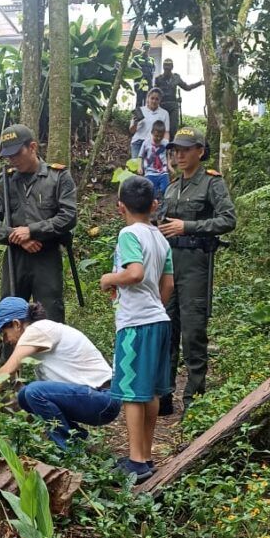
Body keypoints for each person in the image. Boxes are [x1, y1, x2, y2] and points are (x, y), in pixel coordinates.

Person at [100, 177, 174, 483]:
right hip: (159, 319)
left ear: (121, 207)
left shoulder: (129, 233)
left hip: (136, 324)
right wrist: (155, 303)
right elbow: (167, 284)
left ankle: (135, 460)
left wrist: (109, 279)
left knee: (131, 392)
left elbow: (135, 273)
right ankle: (145, 454)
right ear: (154, 206)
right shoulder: (160, 237)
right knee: (152, 391)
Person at [158, 127, 236, 414]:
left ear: (200, 151)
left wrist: (187, 226)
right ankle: (165, 396)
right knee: (167, 330)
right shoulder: (171, 186)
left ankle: (194, 401)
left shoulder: (211, 183)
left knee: (193, 333)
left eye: (185, 149)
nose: (178, 155)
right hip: (170, 265)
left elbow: (228, 219)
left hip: (195, 264)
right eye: (175, 150)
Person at [0, 297, 121, 450]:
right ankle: (81, 441)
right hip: (97, 399)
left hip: (104, 398)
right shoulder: (41, 336)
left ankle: (70, 451)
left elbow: (7, 370)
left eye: (5, 333)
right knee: (25, 395)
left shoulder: (37, 329)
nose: (5, 340)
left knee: (34, 391)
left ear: (16, 324)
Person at [0, 125, 77, 323]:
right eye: (8, 156)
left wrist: (32, 231)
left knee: (50, 316)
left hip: (46, 256)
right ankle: (12, 355)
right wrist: (17, 237)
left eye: (17, 153)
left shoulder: (58, 177)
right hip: (15, 257)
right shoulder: (5, 181)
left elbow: (68, 216)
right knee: (10, 318)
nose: (12, 160)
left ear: (32, 147)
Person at [154, 59, 204, 141]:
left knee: (173, 129)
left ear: (172, 67)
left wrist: (199, 83)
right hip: (162, 106)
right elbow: (154, 93)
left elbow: (187, 87)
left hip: (173, 105)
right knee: (161, 129)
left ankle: (173, 148)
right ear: (163, 67)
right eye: (165, 67)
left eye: (169, 67)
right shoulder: (158, 79)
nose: (167, 69)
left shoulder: (176, 78)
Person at [129, 89, 170, 160]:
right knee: (136, 167)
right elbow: (132, 131)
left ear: (160, 100)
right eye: (152, 98)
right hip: (138, 142)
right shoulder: (139, 111)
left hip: (155, 143)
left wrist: (166, 145)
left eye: (157, 99)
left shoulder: (164, 113)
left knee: (151, 168)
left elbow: (166, 132)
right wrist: (135, 123)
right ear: (147, 98)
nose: (154, 101)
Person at [138, 120, 169, 197]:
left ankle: (162, 202)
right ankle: (155, 204)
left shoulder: (166, 143)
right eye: (156, 136)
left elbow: (169, 154)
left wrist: (170, 165)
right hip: (150, 172)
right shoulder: (146, 143)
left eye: (161, 136)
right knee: (151, 191)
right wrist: (139, 167)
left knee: (166, 188)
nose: (158, 138)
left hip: (163, 172)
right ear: (152, 132)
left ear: (164, 134)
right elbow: (140, 156)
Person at [134, 41, 156, 106]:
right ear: (142, 48)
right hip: (139, 83)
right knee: (139, 101)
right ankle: (138, 116)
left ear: (149, 49)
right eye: (145, 47)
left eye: (147, 48)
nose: (146, 49)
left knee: (148, 101)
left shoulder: (151, 59)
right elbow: (132, 69)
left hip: (148, 83)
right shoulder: (136, 58)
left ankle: (147, 116)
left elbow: (153, 70)